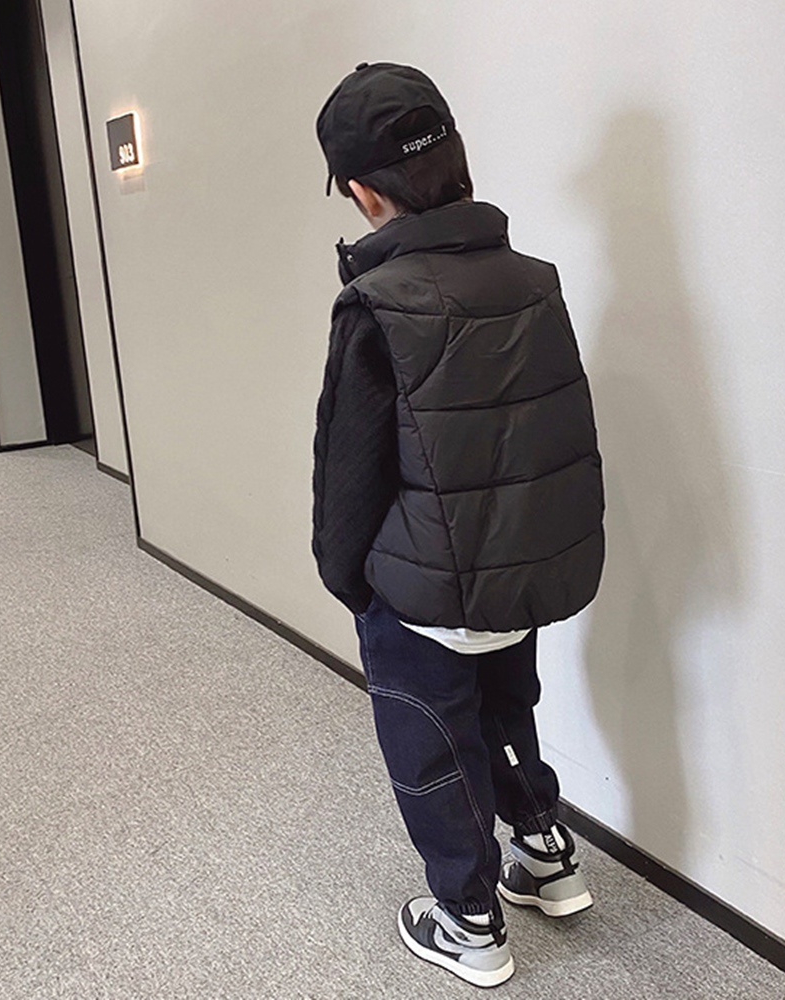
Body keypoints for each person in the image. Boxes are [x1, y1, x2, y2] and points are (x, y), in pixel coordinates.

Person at [312, 62, 605, 989]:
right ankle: (547, 855)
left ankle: (469, 921)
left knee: (432, 744)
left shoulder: (377, 302)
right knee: (507, 712)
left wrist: (348, 579)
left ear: (363, 192)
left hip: (423, 589)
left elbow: (348, 469)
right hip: (518, 573)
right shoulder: (533, 279)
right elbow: (554, 431)